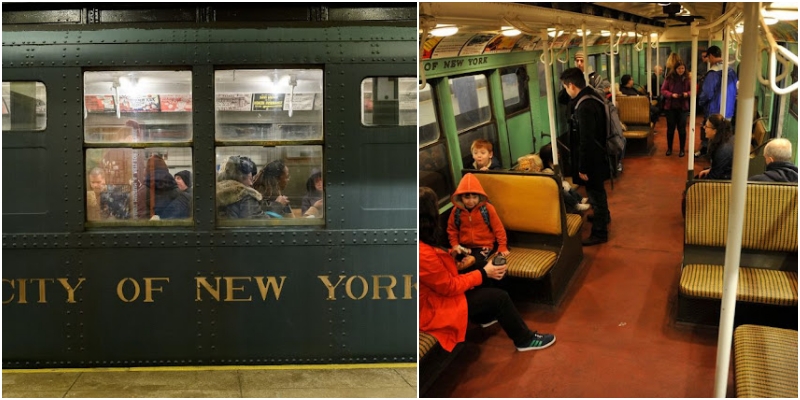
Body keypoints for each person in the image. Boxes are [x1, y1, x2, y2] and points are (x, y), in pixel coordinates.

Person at [419, 186, 556, 353]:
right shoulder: (421, 252)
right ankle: (525, 340)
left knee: (480, 269)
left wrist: (452, 254)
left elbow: (435, 267)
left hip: (437, 294)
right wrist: (484, 273)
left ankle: (483, 316)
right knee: (499, 297)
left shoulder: (419, 238)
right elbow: (449, 287)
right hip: (432, 307)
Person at [560, 67, 611, 246]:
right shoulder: (592, 96)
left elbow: (586, 141)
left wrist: (583, 167)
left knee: (595, 194)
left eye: (566, 87)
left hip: (592, 158)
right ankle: (604, 217)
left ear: (572, 86)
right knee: (598, 191)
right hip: (599, 154)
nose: (566, 91)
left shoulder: (584, 106)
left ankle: (599, 233)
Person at [447, 173, 509, 272]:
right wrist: (454, 244)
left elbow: (498, 228)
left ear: (479, 197)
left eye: (474, 197)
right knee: (451, 260)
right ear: (461, 198)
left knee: (474, 262)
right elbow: (452, 229)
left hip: (484, 246)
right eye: (467, 197)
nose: (471, 201)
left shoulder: (487, 209)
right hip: (464, 246)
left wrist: (502, 245)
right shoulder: (456, 211)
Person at [696, 45, 738, 157]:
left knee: (713, 135)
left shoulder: (713, 73)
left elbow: (707, 93)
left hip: (714, 110)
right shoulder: (731, 71)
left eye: (708, 57)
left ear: (710, 56)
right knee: (725, 136)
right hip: (728, 109)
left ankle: (712, 158)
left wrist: (700, 103)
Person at [539, 144, 591, 214]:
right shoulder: (547, 170)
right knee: (565, 192)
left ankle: (580, 199)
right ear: (550, 156)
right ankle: (576, 205)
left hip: (559, 184)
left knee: (569, 188)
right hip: (555, 188)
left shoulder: (554, 165)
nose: (558, 154)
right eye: (556, 153)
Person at [138, 155, 191, 220]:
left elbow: (141, 218)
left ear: (147, 170)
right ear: (166, 169)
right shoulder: (177, 190)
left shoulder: (143, 191)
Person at [661, 61, 691, 157]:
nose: (681, 70)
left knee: (682, 129)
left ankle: (682, 149)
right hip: (670, 107)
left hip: (683, 107)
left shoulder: (688, 79)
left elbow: (693, 90)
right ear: (675, 69)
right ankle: (669, 148)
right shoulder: (669, 78)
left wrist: (687, 94)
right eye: (679, 68)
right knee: (670, 129)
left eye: (682, 68)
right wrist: (671, 95)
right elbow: (663, 90)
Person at [696, 114, 734, 180]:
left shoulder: (723, 150)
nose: (704, 127)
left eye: (706, 126)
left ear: (715, 131)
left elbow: (713, 177)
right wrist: (710, 170)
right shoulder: (725, 140)